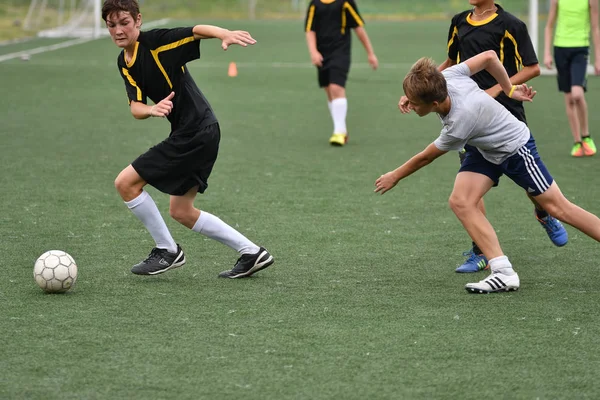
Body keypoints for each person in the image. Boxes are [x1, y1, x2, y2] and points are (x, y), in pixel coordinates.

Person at [375, 50, 600, 293]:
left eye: (416, 103)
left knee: (558, 207)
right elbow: (490, 57)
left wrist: (395, 175)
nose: (412, 107)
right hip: (484, 148)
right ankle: (503, 272)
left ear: (435, 104)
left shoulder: (458, 123)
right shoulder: (447, 76)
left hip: (515, 148)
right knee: (461, 201)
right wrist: (509, 88)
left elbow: (425, 157)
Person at [102, 0, 274, 278]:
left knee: (125, 183)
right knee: (181, 210)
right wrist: (151, 109)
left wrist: (223, 34)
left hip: (195, 132)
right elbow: (135, 107)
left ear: (138, 21)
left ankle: (167, 251)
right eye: (112, 25)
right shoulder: (125, 62)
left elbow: (194, 31)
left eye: (124, 22)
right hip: (198, 131)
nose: (118, 30)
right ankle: (252, 252)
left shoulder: (156, 43)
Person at [398, 0, 568, 274]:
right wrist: (416, 94)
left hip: (506, 109)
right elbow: (450, 64)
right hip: (464, 113)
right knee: (469, 184)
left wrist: (500, 90)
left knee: (530, 181)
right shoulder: (459, 22)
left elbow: (532, 68)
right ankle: (482, 252)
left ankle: (544, 212)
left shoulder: (512, 25)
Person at [304, 0, 378, 146]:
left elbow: (358, 28)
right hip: (322, 53)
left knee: (336, 87)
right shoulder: (315, 4)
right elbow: (310, 30)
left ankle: (338, 132)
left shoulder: (345, 3)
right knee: (329, 91)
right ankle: (342, 130)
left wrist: (370, 53)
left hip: (340, 53)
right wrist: (313, 52)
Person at [544, 0, 600, 157]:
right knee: (569, 98)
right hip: (560, 49)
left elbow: (595, 28)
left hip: (580, 49)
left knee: (577, 94)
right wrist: (547, 53)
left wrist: (598, 58)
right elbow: (549, 26)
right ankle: (577, 142)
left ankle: (586, 136)